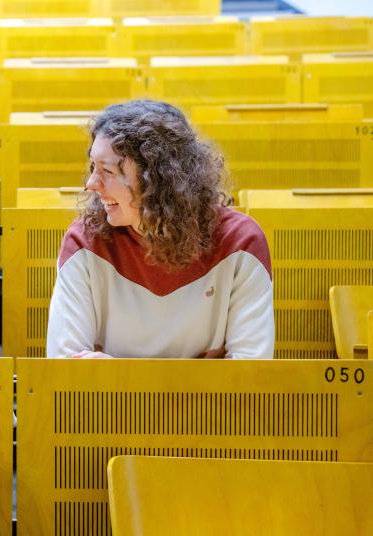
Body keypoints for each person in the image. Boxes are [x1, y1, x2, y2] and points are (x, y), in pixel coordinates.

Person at [46, 100, 274, 359]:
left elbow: (250, 377)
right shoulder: (83, 242)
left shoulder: (241, 243)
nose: (90, 184)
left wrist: (116, 376)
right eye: (92, 168)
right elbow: (65, 372)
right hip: (116, 402)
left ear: (156, 180)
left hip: (135, 400)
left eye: (107, 171)